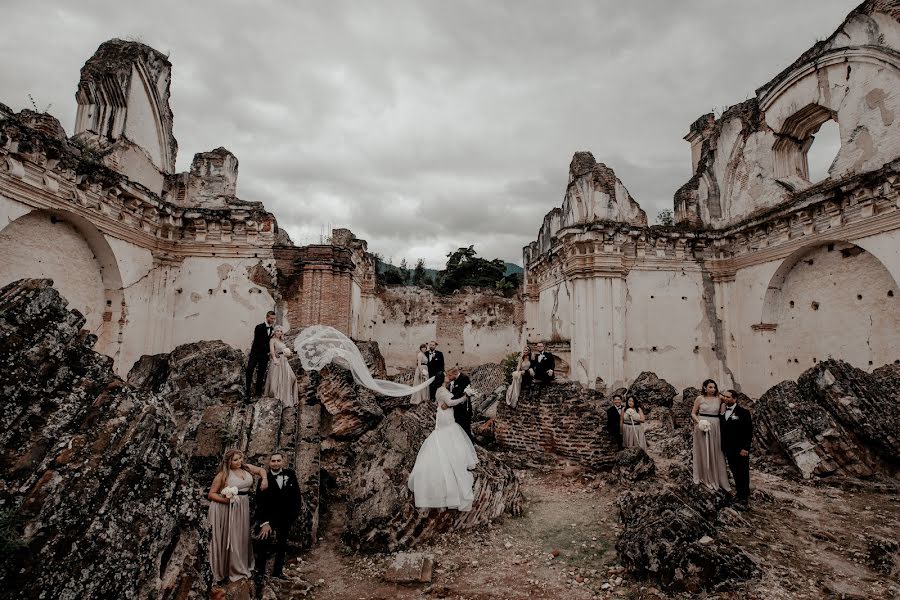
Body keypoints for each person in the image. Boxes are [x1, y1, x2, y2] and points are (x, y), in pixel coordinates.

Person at [407, 379, 479, 511]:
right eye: (445, 376)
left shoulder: (444, 389)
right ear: (441, 380)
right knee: (448, 434)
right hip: (445, 418)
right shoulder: (441, 390)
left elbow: (446, 403)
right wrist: (465, 397)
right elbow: (450, 402)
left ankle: (456, 456)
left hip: (446, 415)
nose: (448, 378)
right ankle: (451, 460)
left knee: (452, 434)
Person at [207, 449, 268, 583]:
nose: (239, 462)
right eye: (235, 460)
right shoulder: (223, 475)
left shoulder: (246, 467)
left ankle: (241, 563)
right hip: (227, 508)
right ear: (228, 461)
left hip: (243, 506)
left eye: (240, 458)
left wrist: (264, 479)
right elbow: (211, 494)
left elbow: (261, 470)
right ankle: (231, 569)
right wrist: (227, 501)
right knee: (232, 536)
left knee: (241, 535)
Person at [254, 452, 301, 581]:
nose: (276, 463)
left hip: (285, 517)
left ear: (282, 461)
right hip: (269, 518)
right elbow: (260, 503)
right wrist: (264, 522)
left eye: (278, 461)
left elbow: (297, 496)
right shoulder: (263, 480)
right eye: (273, 461)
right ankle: (260, 572)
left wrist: (293, 515)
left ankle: (278, 571)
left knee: (282, 544)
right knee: (263, 544)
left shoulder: (290, 475)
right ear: (269, 463)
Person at [691, 379, 731, 492]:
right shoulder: (699, 398)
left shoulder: (719, 398)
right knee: (703, 450)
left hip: (715, 426)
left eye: (714, 387)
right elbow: (693, 413)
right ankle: (704, 476)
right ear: (705, 387)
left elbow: (728, 402)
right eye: (710, 387)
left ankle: (718, 478)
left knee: (716, 451)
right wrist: (699, 422)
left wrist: (724, 402)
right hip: (702, 426)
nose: (713, 389)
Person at [720, 389, 753, 509]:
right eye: (724, 396)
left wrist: (745, 448)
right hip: (729, 449)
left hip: (740, 449)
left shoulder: (743, 412)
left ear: (735, 399)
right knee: (735, 472)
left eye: (728, 397)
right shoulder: (723, 412)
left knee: (743, 473)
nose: (725, 398)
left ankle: (744, 498)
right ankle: (739, 494)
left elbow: (748, 432)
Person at [264, 325, 297, 406]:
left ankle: (286, 396)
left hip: (284, 361)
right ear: (274, 331)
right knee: (276, 380)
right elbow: (272, 350)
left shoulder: (282, 341)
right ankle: (277, 397)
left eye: (280, 331)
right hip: (277, 361)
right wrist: (274, 359)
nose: (279, 332)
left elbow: (284, 352)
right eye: (277, 331)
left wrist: (289, 354)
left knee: (292, 377)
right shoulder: (272, 340)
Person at [247, 311, 276, 399]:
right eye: (271, 318)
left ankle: (258, 393)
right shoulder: (259, 327)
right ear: (267, 317)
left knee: (261, 374)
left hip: (264, 356)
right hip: (255, 354)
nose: (273, 320)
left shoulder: (272, 330)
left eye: (274, 319)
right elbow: (258, 341)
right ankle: (247, 392)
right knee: (249, 371)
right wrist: (269, 350)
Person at [446, 366, 473, 440]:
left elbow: (460, 393)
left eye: (450, 375)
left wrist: (448, 400)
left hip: (463, 409)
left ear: (455, 373)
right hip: (456, 408)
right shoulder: (453, 380)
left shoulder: (464, 378)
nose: (449, 377)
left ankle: (470, 446)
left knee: (465, 429)